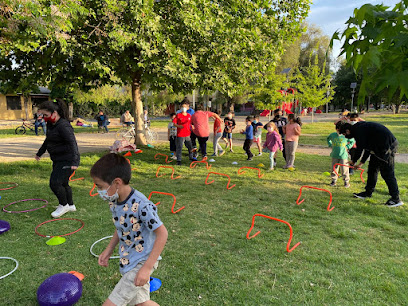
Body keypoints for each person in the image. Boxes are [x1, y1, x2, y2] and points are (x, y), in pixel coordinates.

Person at [90, 153, 168, 306]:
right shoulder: (115, 200)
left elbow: (162, 233)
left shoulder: (142, 205)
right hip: (128, 260)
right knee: (142, 304)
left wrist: (147, 268)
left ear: (116, 182)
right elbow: (122, 226)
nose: (98, 190)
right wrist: (109, 249)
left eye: (100, 186)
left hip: (141, 262)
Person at [339, 121, 404, 207]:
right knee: (372, 170)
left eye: (344, 134)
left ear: (347, 131)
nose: (345, 136)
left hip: (386, 147)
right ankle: (368, 193)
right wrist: (361, 162)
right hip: (377, 147)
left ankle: (396, 199)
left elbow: (360, 149)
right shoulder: (359, 128)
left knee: (387, 173)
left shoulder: (358, 131)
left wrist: (354, 161)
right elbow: (367, 148)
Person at [35, 99, 80, 218]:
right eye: (42, 115)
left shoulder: (64, 126)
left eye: (46, 115)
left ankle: (63, 205)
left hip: (68, 159)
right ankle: (70, 205)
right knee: (64, 183)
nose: (44, 118)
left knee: (55, 183)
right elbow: (48, 140)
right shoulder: (51, 124)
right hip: (58, 159)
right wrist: (40, 152)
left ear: (54, 113)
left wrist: (75, 161)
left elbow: (72, 144)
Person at [327, 121, 355, 188]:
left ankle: (346, 181)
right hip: (334, 155)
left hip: (343, 156)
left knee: (344, 169)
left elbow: (352, 141)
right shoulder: (333, 135)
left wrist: (347, 147)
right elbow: (328, 139)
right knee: (334, 169)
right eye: (338, 130)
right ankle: (334, 180)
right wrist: (330, 145)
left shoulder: (345, 136)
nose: (339, 132)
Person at [173, 100, 196, 165]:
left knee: (190, 146)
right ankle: (179, 160)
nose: (183, 108)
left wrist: (192, 126)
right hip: (180, 134)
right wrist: (178, 126)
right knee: (179, 147)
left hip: (187, 134)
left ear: (187, 108)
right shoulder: (178, 115)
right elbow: (174, 123)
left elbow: (191, 122)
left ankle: (191, 157)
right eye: (182, 107)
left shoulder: (189, 115)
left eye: (185, 107)